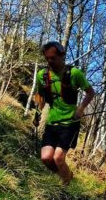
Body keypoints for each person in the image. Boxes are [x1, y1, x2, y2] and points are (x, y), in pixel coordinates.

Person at [33, 40, 94, 185]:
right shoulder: (43, 75)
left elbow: (90, 92)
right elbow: (39, 95)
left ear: (62, 56)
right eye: (47, 58)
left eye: (53, 58)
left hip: (69, 123)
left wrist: (80, 109)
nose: (50, 61)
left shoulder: (74, 73)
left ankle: (66, 185)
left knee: (58, 158)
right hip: (51, 122)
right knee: (46, 158)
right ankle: (66, 176)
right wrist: (37, 112)